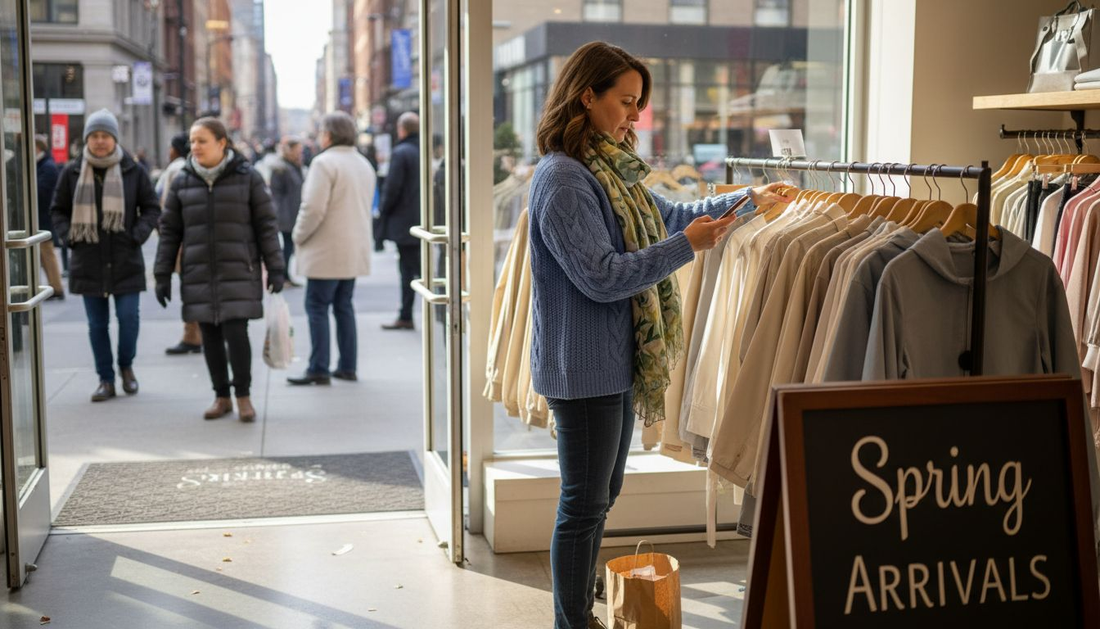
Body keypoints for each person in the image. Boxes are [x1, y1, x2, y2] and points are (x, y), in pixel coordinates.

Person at [528, 42, 793, 629]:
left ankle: (576, 607)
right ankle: (571, 622)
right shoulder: (566, 180)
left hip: (608, 363)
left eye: (638, 103)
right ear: (585, 95)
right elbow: (601, 278)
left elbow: (671, 217)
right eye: (625, 102)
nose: (634, 116)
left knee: (597, 496)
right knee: (584, 503)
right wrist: (687, 249)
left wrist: (749, 201)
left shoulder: (605, 171)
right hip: (585, 367)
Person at [154, 117, 285, 422]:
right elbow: (170, 230)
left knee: (236, 334)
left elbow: (267, 226)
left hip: (238, 269)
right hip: (198, 271)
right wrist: (162, 274)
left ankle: (243, 396)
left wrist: (276, 268)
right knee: (210, 337)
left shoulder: (247, 177)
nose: (195, 147)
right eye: (192, 141)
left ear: (222, 142)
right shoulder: (183, 180)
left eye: (202, 140)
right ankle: (221, 396)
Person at [50, 109, 162, 402]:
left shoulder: (133, 171)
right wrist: (70, 237)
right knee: (97, 325)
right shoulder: (72, 171)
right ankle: (106, 379)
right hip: (88, 260)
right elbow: (57, 210)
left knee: (129, 319)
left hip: (126, 259)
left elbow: (151, 208)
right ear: (87, 138)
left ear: (114, 139)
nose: (100, 142)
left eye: (105, 136)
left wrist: (135, 235)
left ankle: (126, 366)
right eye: (95, 136)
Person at [286, 112, 377, 386]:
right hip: (352, 247)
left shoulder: (323, 163)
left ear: (328, 135)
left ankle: (319, 367)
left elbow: (313, 208)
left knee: (317, 306)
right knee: (343, 306)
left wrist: (297, 235)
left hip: (325, 249)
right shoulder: (363, 164)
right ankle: (347, 366)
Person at [157, 133, 204, 355]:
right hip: (194, 238)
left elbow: (166, 206)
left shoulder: (177, 169)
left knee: (190, 288)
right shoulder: (194, 167)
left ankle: (192, 334)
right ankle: (197, 333)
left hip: (186, 240)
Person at [378, 112, 421, 330]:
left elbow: (392, 188)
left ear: (401, 129)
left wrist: (382, 213)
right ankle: (408, 314)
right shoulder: (424, 150)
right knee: (418, 269)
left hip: (405, 223)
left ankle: (406, 315)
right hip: (422, 220)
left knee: (408, 271)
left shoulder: (401, 152)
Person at [270, 136, 305, 286]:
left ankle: (286, 276)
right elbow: (276, 193)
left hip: (293, 211)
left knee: (290, 245)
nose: (300, 153)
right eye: (297, 150)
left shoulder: (293, 166)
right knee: (288, 245)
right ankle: (283, 276)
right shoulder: (281, 168)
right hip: (286, 213)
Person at [34, 135, 64, 300]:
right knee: (45, 254)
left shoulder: (48, 166)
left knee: (47, 253)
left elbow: (42, 192)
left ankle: (56, 287)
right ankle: (54, 286)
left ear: (38, 148)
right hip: (42, 216)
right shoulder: (44, 165)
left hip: (44, 216)